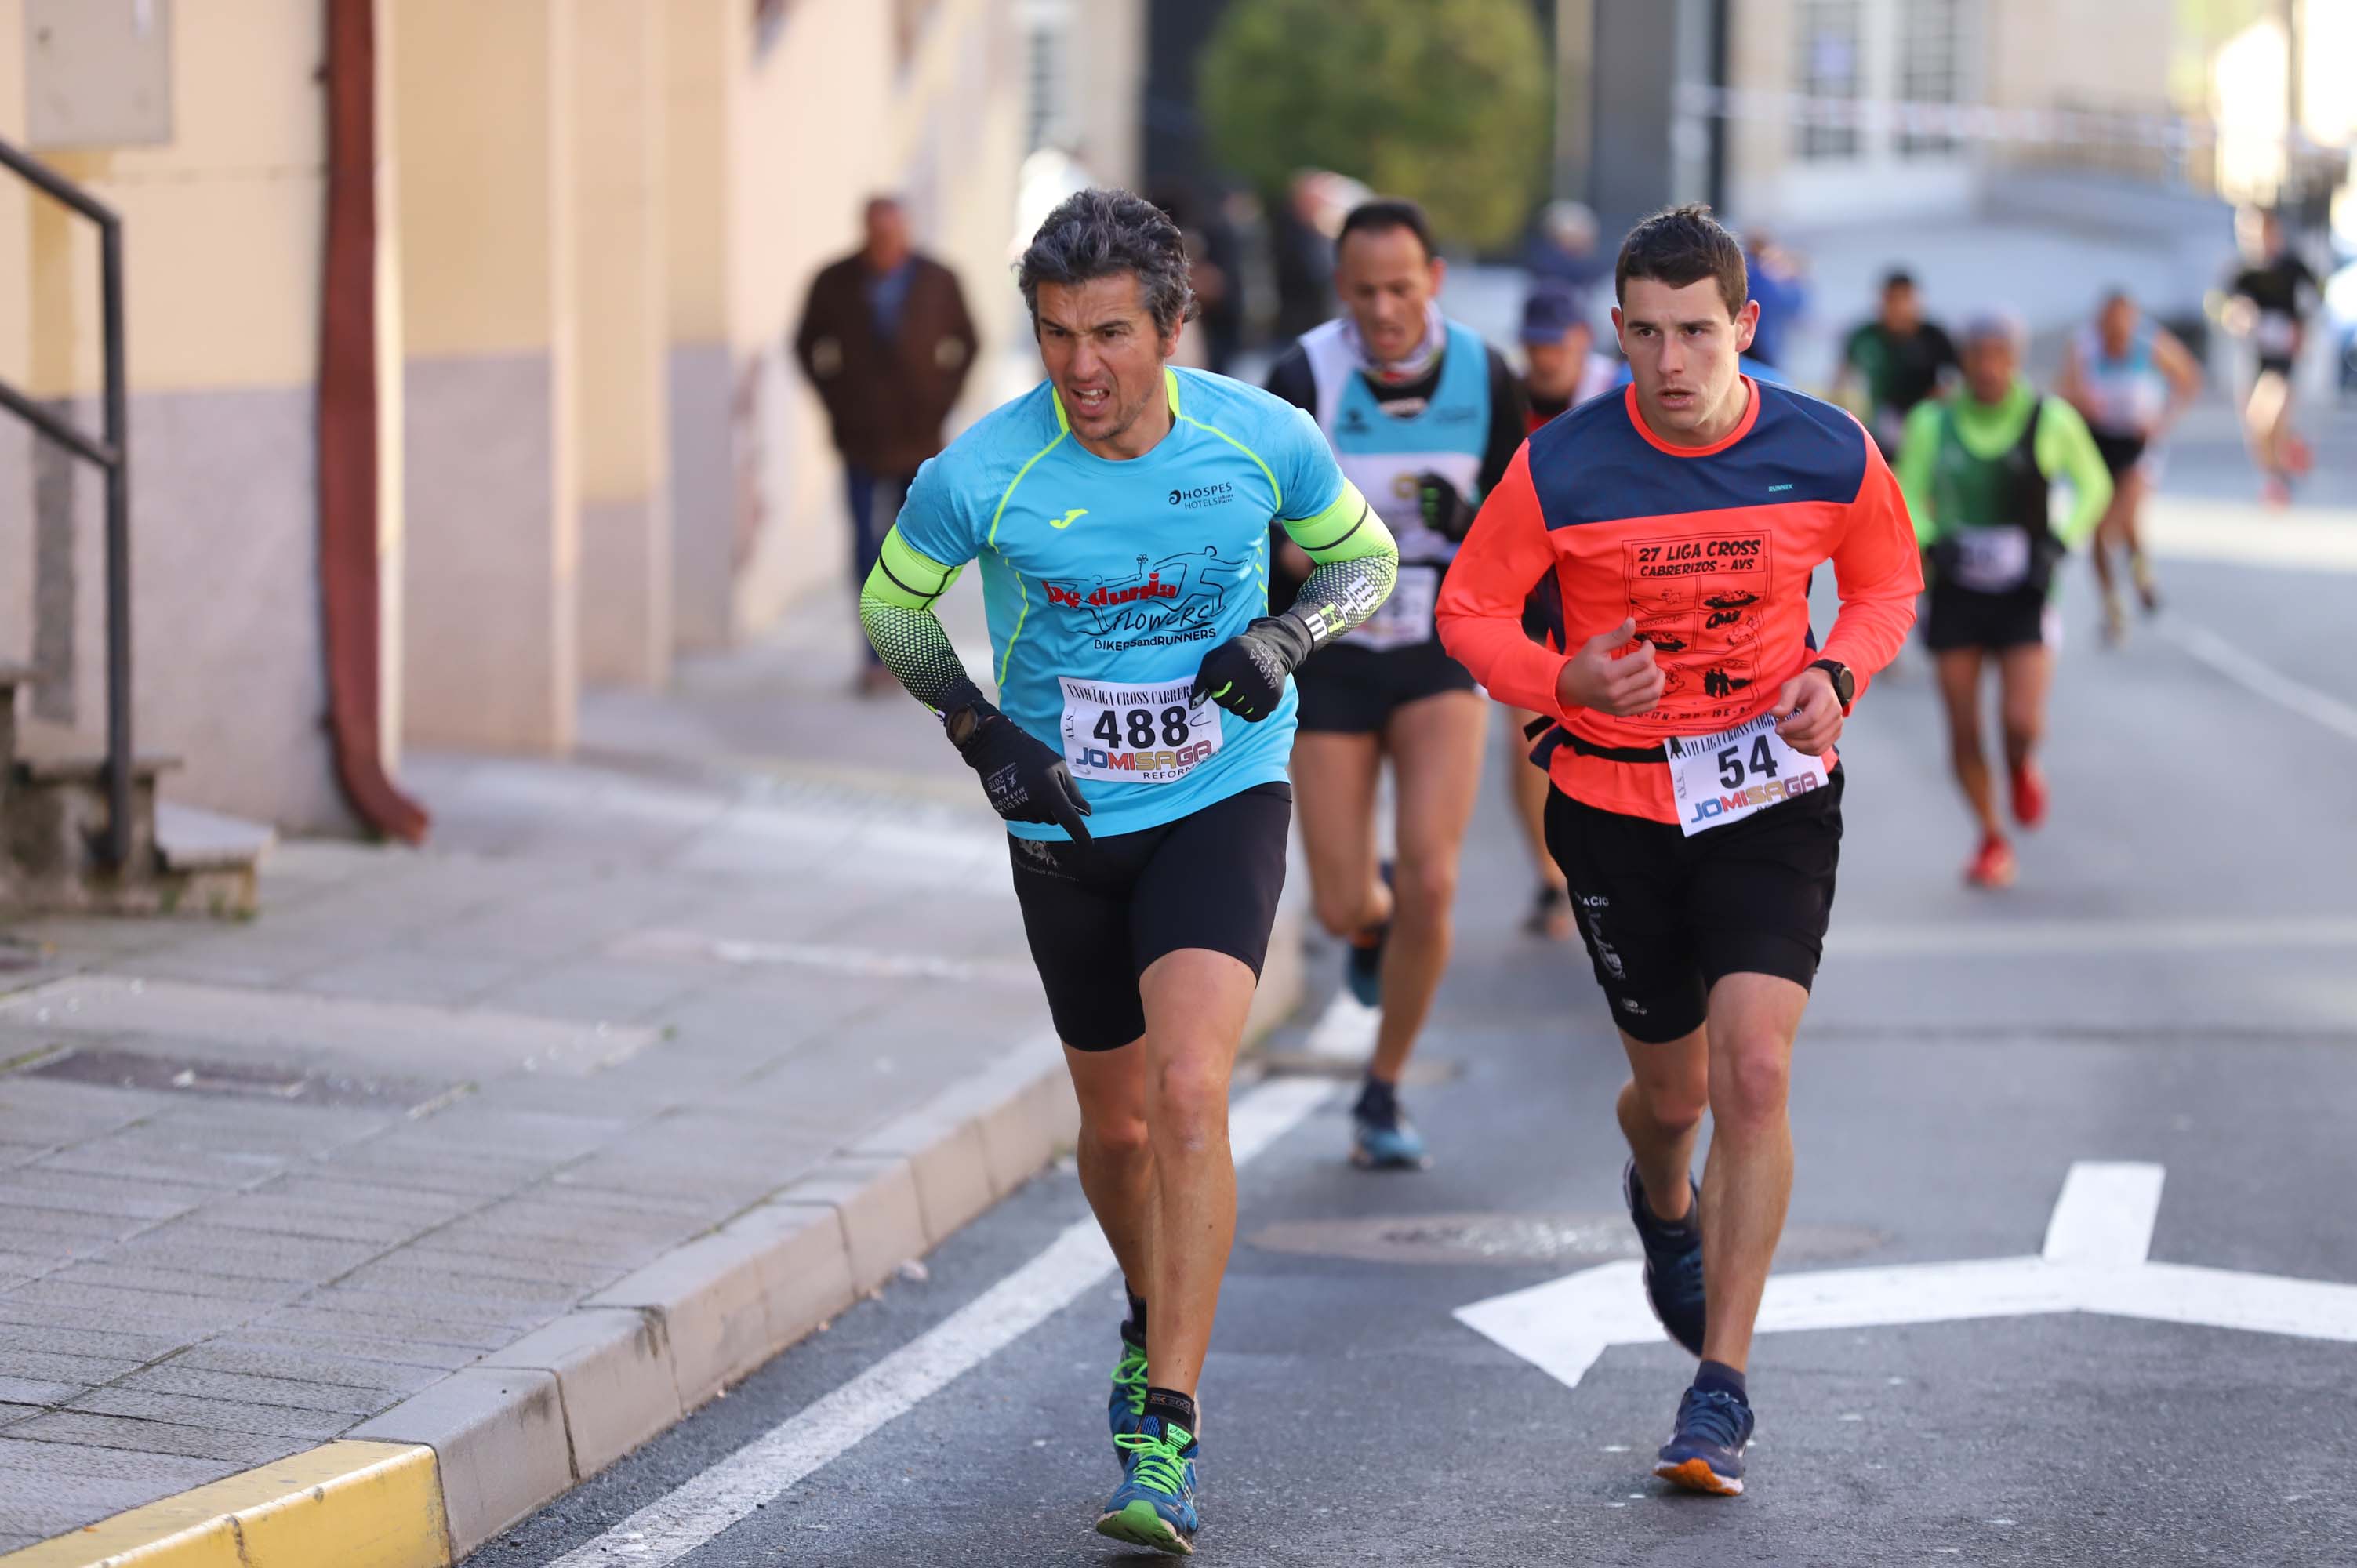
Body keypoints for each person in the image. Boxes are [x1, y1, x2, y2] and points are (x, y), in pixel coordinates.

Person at [859, 188, 1396, 1555]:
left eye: (1108, 333)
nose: (1080, 367)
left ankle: (1166, 1419)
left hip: (1222, 790)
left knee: (1190, 1086)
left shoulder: (1256, 436)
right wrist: (981, 731)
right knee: (1116, 1136)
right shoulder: (984, 470)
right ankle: (1149, 1302)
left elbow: (1366, 561)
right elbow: (888, 604)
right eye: (1053, 336)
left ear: (1172, 323)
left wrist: (1282, 641)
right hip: (1069, 830)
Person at [1436, 205, 1922, 1497]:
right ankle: (1662, 1201)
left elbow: (1885, 585)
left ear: (1744, 328)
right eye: (1644, 334)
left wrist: (1838, 667)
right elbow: (1466, 610)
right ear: (1616, 332)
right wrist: (1562, 677)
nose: (1669, 361)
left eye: (1695, 333)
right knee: (1675, 1100)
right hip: (1613, 809)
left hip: (1768, 796)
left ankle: (1720, 1386)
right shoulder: (1563, 465)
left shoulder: (1826, 447)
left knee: (1752, 1070)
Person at [1265, 198, 1529, 1169]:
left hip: (1439, 649)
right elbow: (1261, 532)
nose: (1384, 309)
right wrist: (1303, 559)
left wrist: (1467, 528)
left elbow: (1517, 520)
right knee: (1342, 905)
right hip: (1334, 648)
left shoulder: (1485, 371)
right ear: (1341, 289)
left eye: (1401, 288)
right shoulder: (1303, 377)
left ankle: (1382, 1086)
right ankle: (1367, 925)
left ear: (1435, 281)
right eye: (1365, 291)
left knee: (1433, 872)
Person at [1897, 311, 2111, 890]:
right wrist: (1930, 542)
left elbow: (2095, 484)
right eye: (1978, 357)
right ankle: (1991, 837)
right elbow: (1905, 492)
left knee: (2019, 720)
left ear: (2016, 360)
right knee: (1964, 729)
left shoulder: (2049, 419)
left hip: (2025, 591)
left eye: (2000, 357)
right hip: (1957, 591)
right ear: (1963, 361)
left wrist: (2061, 541)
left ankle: (2021, 765)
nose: (1989, 369)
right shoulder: (1932, 422)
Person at [794, 195, 979, 694]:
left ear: (906, 232)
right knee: (863, 544)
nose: (885, 245)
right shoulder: (835, 281)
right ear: (864, 233)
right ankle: (873, 655)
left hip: (918, 436)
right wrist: (836, 398)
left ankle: (908, 649)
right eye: (876, 235)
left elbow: (968, 342)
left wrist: (942, 397)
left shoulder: (938, 280)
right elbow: (806, 344)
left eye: (892, 234)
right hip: (858, 438)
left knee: (911, 549)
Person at [1505, 285, 1621, 940]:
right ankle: (1553, 881)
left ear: (1584, 338)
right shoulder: (1512, 400)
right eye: (1536, 344)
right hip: (1531, 593)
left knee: (1613, 732)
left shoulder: (1617, 392)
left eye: (1557, 342)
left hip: (1606, 590)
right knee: (1529, 737)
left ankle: (1616, 866)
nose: (1546, 356)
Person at [2057, 289, 2200, 642]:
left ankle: (2139, 575)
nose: (2116, 333)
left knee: (2121, 519)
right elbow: (2064, 393)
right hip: (2098, 444)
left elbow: (2189, 378)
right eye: (2110, 324)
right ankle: (2114, 601)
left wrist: (2164, 419)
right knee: (2098, 533)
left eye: (2123, 323)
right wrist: (2081, 401)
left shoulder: (2149, 344)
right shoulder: (2085, 347)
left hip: (2138, 445)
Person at [2226, 211, 2322, 506]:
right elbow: (2228, 309)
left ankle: (2278, 476)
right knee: (2259, 426)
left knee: (2265, 417)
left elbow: (2317, 295)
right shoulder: (2244, 272)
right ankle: (2280, 467)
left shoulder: (2292, 267)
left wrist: (2301, 329)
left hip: (2283, 361)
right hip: (2254, 360)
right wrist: (2240, 318)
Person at [1832, 268, 1958, 458]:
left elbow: (1955, 382)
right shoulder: (1863, 337)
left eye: (1904, 300)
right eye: (1892, 300)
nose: (1898, 308)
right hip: (1879, 422)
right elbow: (1841, 380)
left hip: (1925, 423)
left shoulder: (1935, 338)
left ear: (1916, 301)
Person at [1741, 230, 1808, 372]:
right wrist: (1794, 279)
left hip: (1745, 343)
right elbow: (1795, 306)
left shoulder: (1741, 273)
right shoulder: (1768, 281)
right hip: (1764, 346)